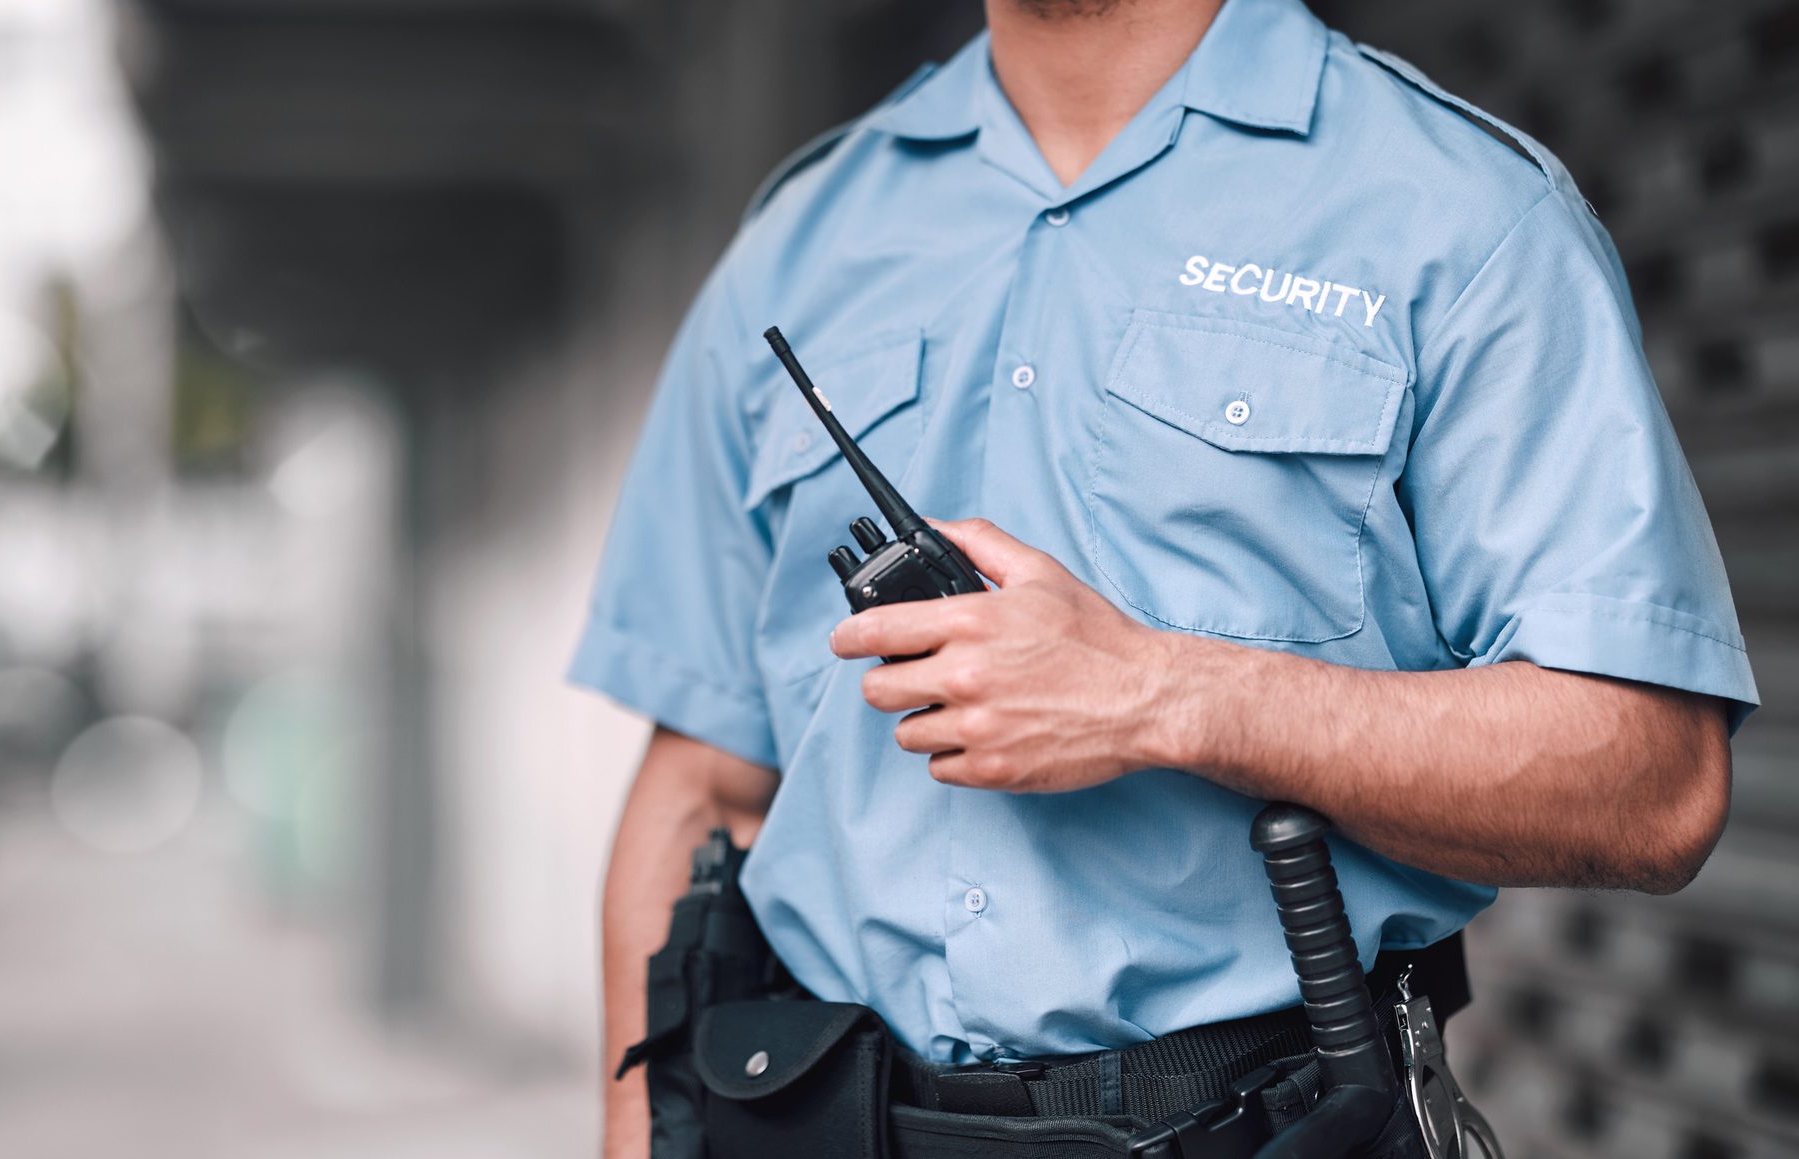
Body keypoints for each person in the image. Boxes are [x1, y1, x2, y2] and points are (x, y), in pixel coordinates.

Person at [570, 0, 1761, 1153]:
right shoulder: (801, 237)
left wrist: (1166, 693)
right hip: (817, 1115)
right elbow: (702, 786)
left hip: (1269, 1120)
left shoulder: (1462, 213)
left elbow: (1653, 782)